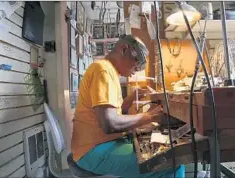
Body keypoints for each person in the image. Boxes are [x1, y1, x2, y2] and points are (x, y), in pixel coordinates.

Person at [71, 34, 185, 178]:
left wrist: (130, 99)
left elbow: (115, 113)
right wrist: (149, 116)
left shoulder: (109, 71)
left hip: (101, 144)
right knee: (172, 165)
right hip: (93, 151)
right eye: (136, 63)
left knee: (154, 151)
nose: (134, 72)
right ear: (124, 49)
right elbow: (109, 124)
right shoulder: (103, 70)